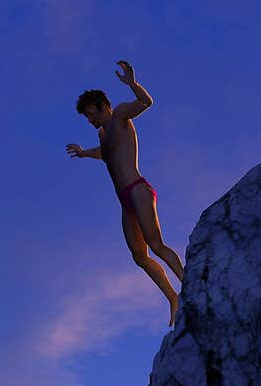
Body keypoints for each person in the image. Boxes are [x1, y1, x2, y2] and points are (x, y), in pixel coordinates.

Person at [67, 60, 184, 327]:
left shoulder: (119, 115)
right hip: (124, 201)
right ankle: (172, 298)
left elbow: (146, 103)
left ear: (103, 107)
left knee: (156, 245)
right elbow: (107, 155)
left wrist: (132, 84)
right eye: (85, 116)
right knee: (140, 256)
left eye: (90, 113)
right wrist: (85, 153)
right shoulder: (102, 134)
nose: (89, 119)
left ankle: (188, 284)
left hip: (137, 189)